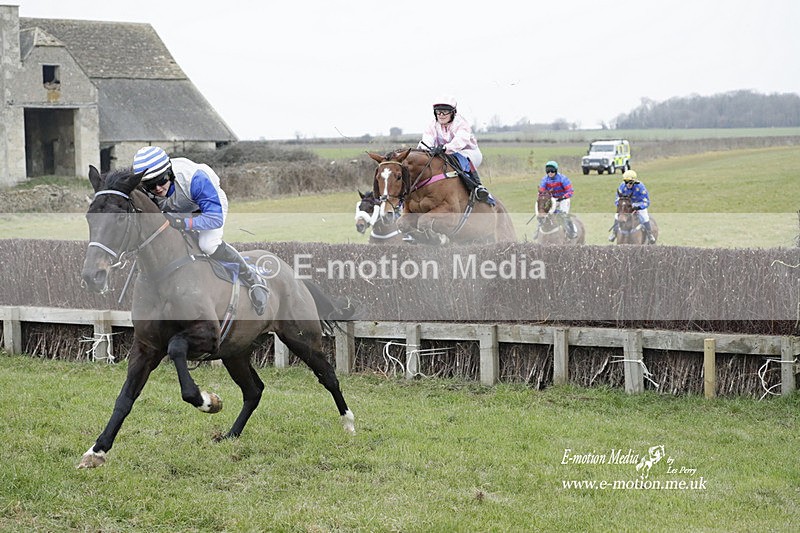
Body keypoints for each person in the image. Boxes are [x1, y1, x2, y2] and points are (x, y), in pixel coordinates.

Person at [132, 146, 269, 315]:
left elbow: (214, 218)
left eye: (162, 180)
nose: (158, 188)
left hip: (208, 207)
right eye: (151, 185)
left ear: (170, 173)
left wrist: (184, 223)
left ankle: (252, 278)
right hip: (178, 208)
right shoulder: (148, 190)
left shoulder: (196, 179)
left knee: (208, 244)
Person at [418, 96, 493, 205]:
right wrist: (427, 150)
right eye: (438, 112)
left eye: (445, 112)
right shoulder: (432, 125)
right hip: (445, 154)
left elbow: (460, 140)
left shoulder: (460, 123)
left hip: (468, 152)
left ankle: (478, 187)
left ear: (453, 113)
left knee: (456, 160)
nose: (441, 115)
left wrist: (445, 148)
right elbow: (427, 139)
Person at [608, 169, 656, 244]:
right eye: (626, 182)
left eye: (630, 182)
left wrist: (638, 206)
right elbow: (617, 199)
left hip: (639, 205)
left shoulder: (640, 187)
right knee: (617, 215)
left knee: (645, 216)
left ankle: (650, 234)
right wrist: (622, 206)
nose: (628, 184)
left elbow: (646, 202)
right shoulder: (622, 186)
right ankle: (614, 233)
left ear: (634, 181)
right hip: (627, 206)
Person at [537, 160, 577, 238]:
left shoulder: (563, 179)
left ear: (556, 170)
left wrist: (563, 197)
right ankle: (538, 231)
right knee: (542, 214)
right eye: (548, 170)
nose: (550, 172)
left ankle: (571, 231)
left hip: (563, 200)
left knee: (563, 215)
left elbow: (570, 191)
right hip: (552, 200)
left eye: (552, 170)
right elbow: (542, 191)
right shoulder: (544, 180)